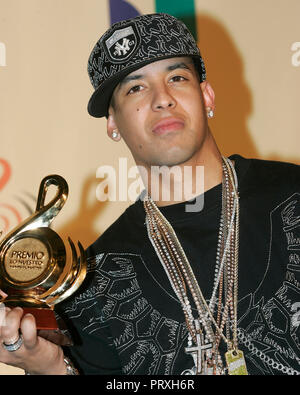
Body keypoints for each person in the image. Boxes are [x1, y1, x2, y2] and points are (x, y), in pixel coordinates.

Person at [0, 13, 299, 376]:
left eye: (177, 77)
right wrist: (47, 368)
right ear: (112, 123)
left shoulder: (292, 197)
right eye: (135, 88)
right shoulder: (98, 277)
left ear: (207, 96)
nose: (162, 99)